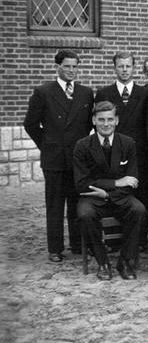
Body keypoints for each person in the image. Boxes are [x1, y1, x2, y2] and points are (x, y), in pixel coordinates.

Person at [24, 50, 94, 262]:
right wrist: (48, 145)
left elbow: (88, 124)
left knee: (77, 202)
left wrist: (80, 148)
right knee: (55, 204)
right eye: (67, 66)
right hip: (54, 159)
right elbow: (30, 124)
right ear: (57, 67)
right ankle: (55, 248)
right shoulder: (44, 92)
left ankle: (77, 244)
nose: (71, 70)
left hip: (77, 159)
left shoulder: (85, 93)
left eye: (75, 66)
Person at [73, 101, 145, 280]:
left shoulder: (127, 143)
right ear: (94, 121)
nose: (106, 124)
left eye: (110, 119)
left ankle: (126, 261)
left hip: (120, 197)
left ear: (117, 120)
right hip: (92, 198)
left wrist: (107, 192)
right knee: (85, 214)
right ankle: (102, 262)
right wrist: (115, 183)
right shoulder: (82, 145)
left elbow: (132, 181)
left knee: (139, 210)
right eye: (101, 119)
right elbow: (82, 183)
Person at [95, 52, 148, 250]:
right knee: (116, 194)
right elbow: (100, 125)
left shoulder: (144, 93)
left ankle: (140, 239)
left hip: (139, 154)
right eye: (121, 66)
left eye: (128, 66)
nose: (125, 70)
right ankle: (115, 239)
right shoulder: (104, 93)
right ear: (115, 68)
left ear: (134, 68)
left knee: (141, 195)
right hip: (112, 154)